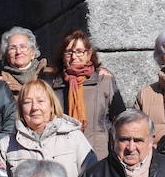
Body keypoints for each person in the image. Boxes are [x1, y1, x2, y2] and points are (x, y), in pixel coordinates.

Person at [0, 78, 97, 177]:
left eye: (40, 101)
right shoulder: (7, 144)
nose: (34, 107)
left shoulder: (74, 137)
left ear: (51, 106)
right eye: (27, 102)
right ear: (21, 109)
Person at [48, 29, 126, 161]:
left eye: (79, 51)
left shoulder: (104, 81)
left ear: (89, 54)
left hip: (98, 155)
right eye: (69, 52)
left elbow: (120, 119)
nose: (74, 57)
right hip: (63, 155)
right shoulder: (52, 85)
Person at [0, 26, 46, 96]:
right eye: (12, 48)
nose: (18, 52)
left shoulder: (46, 74)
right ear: (6, 55)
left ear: (32, 53)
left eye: (23, 47)